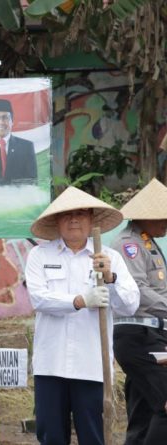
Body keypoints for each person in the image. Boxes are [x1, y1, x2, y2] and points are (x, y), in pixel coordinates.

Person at [25, 186, 139, 445]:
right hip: (50, 364)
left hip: (92, 364)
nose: (74, 219)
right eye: (67, 214)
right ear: (56, 221)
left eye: (81, 213)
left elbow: (130, 304)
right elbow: (39, 299)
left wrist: (110, 279)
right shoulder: (40, 255)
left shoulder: (109, 257)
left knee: (93, 435)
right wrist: (79, 301)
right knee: (51, 435)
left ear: (91, 219)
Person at [111, 178, 167, 444]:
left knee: (143, 412)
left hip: (152, 333)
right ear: (146, 216)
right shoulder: (128, 244)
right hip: (140, 334)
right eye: (163, 216)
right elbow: (139, 291)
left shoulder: (149, 241)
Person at [0, 98, 37, 185]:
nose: (1, 122)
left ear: (12, 121)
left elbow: (31, 182)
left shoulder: (26, 147)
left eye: (5, 117)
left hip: (19, 197)